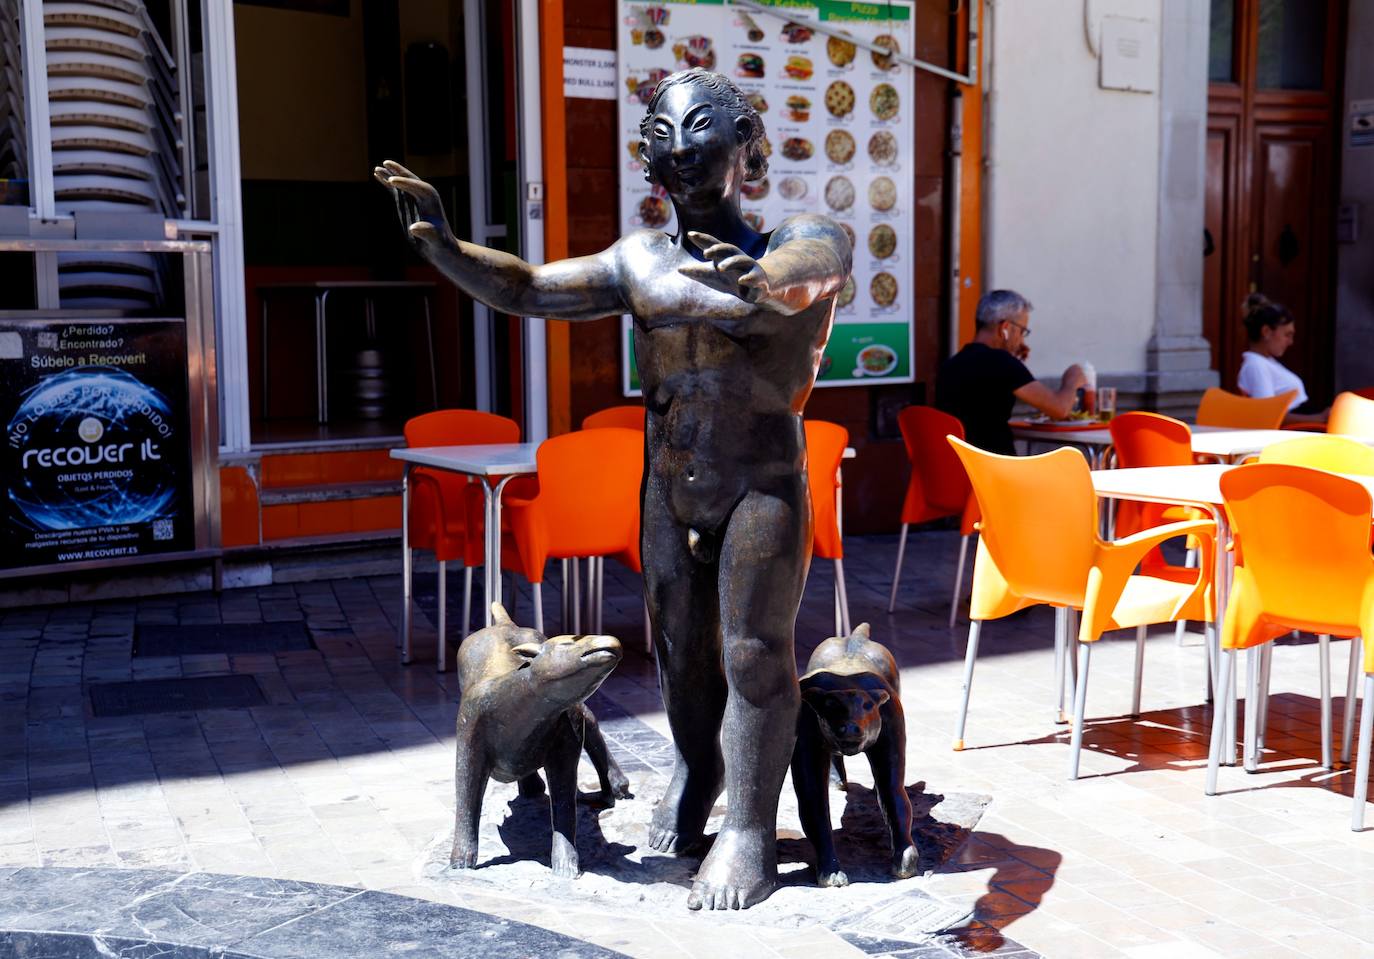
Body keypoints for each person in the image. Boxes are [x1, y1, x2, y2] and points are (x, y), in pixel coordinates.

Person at [375, 68, 852, 911]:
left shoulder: (795, 238)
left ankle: (747, 827)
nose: (679, 148)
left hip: (761, 483)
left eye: (701, 127)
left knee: (751, 651)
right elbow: (526, 285)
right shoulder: (639, 259)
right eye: (660, 135)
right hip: (666, 485)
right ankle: (696, 766)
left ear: (747, 147)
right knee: (679, 651)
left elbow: (817, 265)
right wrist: (444, 247)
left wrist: (764, 281)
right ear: (646, 159)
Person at [935, 290, 1087, 455]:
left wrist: (1013, 360)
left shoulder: (950, 365)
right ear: (1005, 328)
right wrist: (1071, 380)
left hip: (955, 468)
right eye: (1022, 331)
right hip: (995, 469)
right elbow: (1059, 409)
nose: (1022, 340)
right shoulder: (1001, 363)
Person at [1236, 293, 1327, 424]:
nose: (1290, 342)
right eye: (1287, 335)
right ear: (1266, 332)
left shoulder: (1265, 362)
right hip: (1299, 430)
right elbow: (1267, 414)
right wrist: (1318, 419)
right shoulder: (1256, 365)